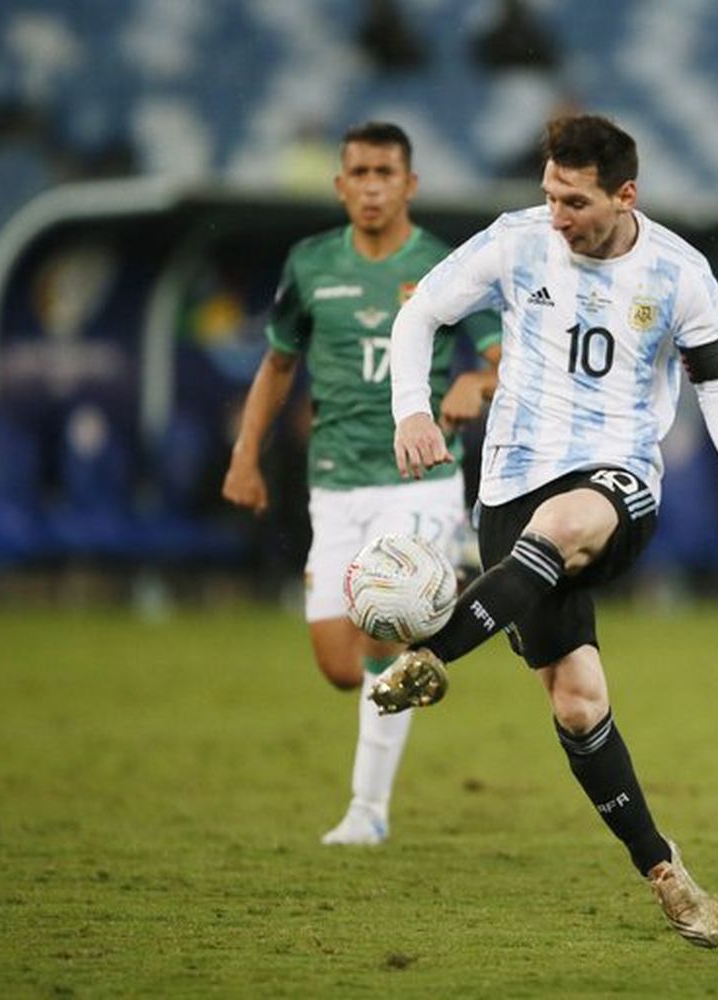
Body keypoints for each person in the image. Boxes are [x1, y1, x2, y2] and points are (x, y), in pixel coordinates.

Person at [369, 114, 718, 948]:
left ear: (624, 195)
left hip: (618, 482)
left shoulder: (682, 274)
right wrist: (413, 411)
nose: (557, 213)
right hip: (508, 489)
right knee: (579, 705)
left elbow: (717, 387)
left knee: (567, 520)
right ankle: (667, 872)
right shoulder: (516, 243)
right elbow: (420, 314)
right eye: (549, 194)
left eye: (574, 200)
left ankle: (432, 653)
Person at [223, 121, 501, 847]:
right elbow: (279, 366)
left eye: (386, 172)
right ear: (340, 183)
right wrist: (245, 454)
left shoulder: (448, 264)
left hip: (420, 477)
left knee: (387, 634)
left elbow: (513, 360)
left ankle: (366, 813)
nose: (373, 186)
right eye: (360, 172)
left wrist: (478, 379)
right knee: (341, 668)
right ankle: (441, 602)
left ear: (410, 184)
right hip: (336, 481)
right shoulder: (311, 264)